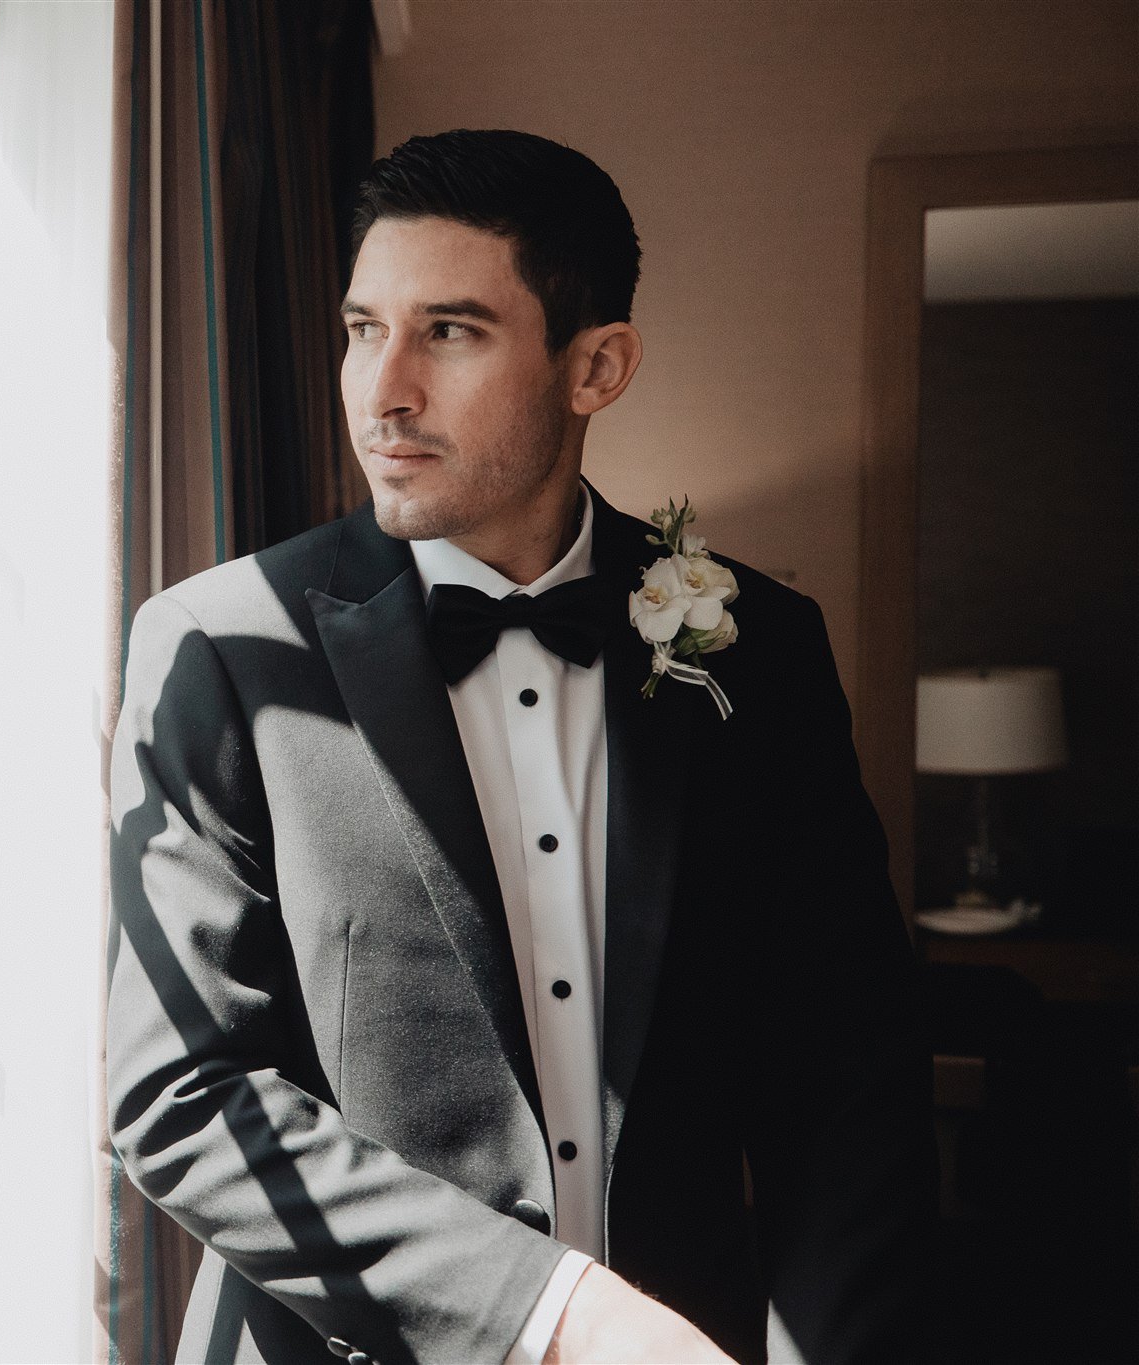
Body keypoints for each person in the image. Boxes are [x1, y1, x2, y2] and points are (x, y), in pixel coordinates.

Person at [104, 129, 937, 1364]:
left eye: (448, 332)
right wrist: (559, 1320)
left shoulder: (755, 648)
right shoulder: (218, 647)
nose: (381, 390)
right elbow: (175, 1097)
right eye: (358, 328)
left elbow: (845, 1076)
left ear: (594, 365)